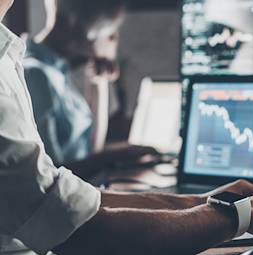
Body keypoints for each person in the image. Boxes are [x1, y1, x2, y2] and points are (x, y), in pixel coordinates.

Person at [0, 0, 253, 255]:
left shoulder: (9, 58)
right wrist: (247, 215)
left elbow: (69, 197)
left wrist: (207, 202)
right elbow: (99, 244)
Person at [23, 0, 155, 180]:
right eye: (110, 30)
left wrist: (98, 82)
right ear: (78, 26)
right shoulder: (36, 75)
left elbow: (92, 148)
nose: (114, 39)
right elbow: (51, 175)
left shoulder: (58, 71)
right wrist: (117, 156)